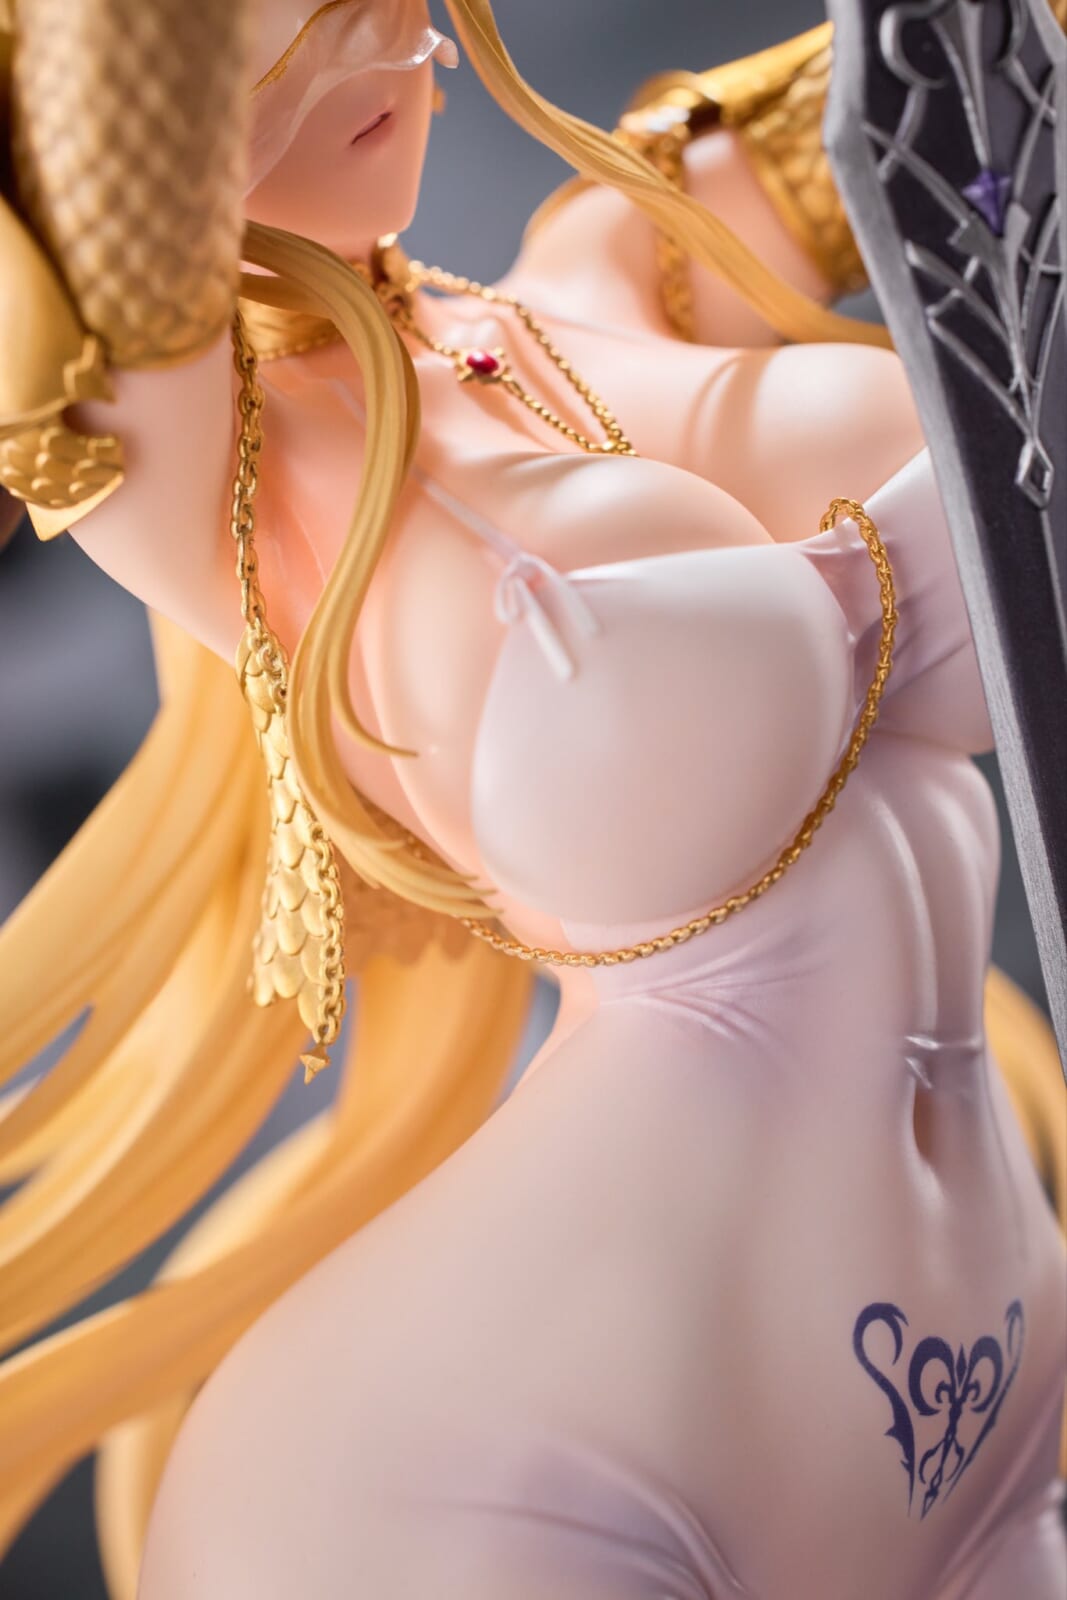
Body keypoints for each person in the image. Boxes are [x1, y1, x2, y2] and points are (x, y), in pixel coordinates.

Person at [0, 2, 1064, 1595]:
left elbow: (956, 85)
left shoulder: (590, 285)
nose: (382, 27)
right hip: (514, 1491)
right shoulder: (222, 485)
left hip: (988, 1412)